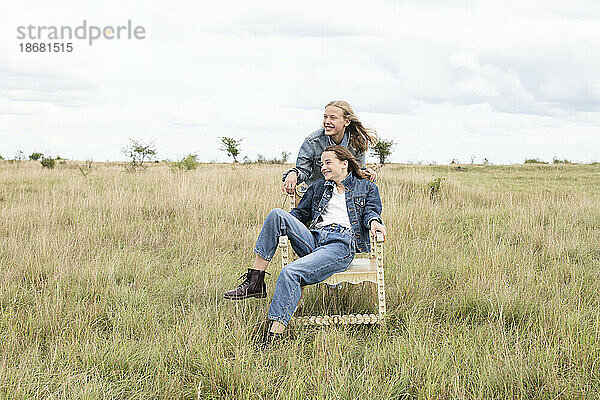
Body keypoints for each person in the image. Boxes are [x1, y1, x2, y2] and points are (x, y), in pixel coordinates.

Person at [224, 145, 386, 347]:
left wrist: (374, 223)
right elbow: (300, 214)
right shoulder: (319, 187)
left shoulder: (366, 187)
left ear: (344, 164)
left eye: (328, 163)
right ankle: (255, 281)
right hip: (314, 237)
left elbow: (371, 212)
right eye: (322, 163)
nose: (323, 167)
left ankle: (272, 337)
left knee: (290, 271)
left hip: (340, 244)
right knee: (277, 214)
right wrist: (286, 225)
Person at [282, 100, 379, 195]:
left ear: (347, 121)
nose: (327, 121)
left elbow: (357, 172)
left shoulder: (357, 142)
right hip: (317, 196)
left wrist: (366, 173)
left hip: (344, 197)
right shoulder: (312, 141)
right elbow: (303, 170)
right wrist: (293, 174)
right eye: (325, 117)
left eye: (333, 118)